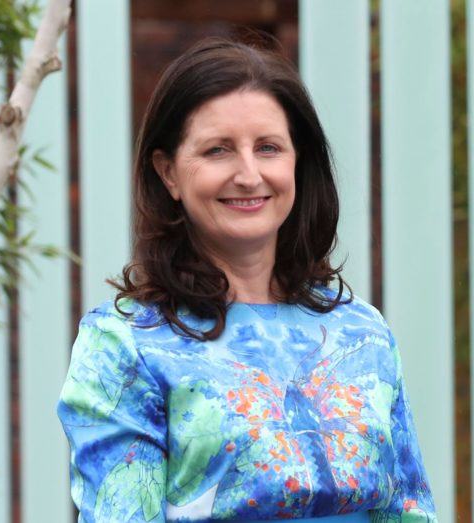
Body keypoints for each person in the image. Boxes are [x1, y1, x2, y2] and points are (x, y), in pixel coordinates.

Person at [56, 38, 437, 523]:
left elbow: (409, 509)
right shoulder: (124, 346)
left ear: (298, 162)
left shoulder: (363, 331)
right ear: (168, 172)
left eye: (269, 148)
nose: (249, 174)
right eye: (218, 150)